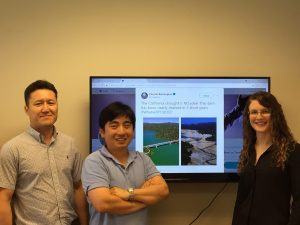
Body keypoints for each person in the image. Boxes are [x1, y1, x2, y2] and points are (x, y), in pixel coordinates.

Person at [0, 80, 89, 225]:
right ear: (26, 109)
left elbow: (78, 188)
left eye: (51, 102)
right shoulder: (12, 148)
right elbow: (4, 198)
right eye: (38, 103)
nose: (46, 108)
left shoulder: (70, 144)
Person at [81, 101, 169, 225]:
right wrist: (145, 200)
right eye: (114, 125)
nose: (121, 132)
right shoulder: (94, 161)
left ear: (133, 131)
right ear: (102, 132)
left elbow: (163, 191)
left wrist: (128, 193)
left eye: (127, 125)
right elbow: (103, 203)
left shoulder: (143, 159)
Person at [232, 91, 300, 225]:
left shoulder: (293, 151)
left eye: (265, 111)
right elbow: (241, 200)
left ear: (275, 115)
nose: (259, 116)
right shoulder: (247, 151)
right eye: (254, 112)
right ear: (248, 116)